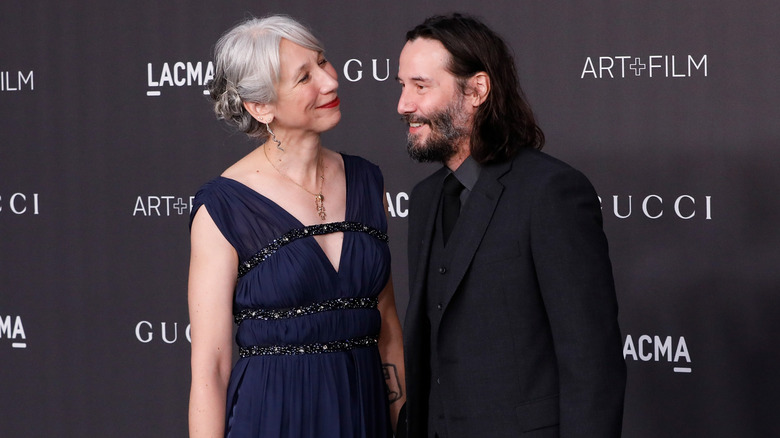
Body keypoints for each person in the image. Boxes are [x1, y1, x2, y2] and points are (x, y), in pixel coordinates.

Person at [396, 13, 626, 438]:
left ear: (477, 90)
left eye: (421, 86)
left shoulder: (551, 191)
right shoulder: (427, 199)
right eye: (402, 86)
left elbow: (591, 358)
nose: (404, 105)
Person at [187, 15, 405, 437]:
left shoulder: (367, 182)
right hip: (274, 418)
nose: (329, 82)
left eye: (323, 62)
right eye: (305, 76)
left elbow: (388, 327)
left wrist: (401, 422)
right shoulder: (224, 206)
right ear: (261, 106)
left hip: (365, 415)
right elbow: (210, 370)